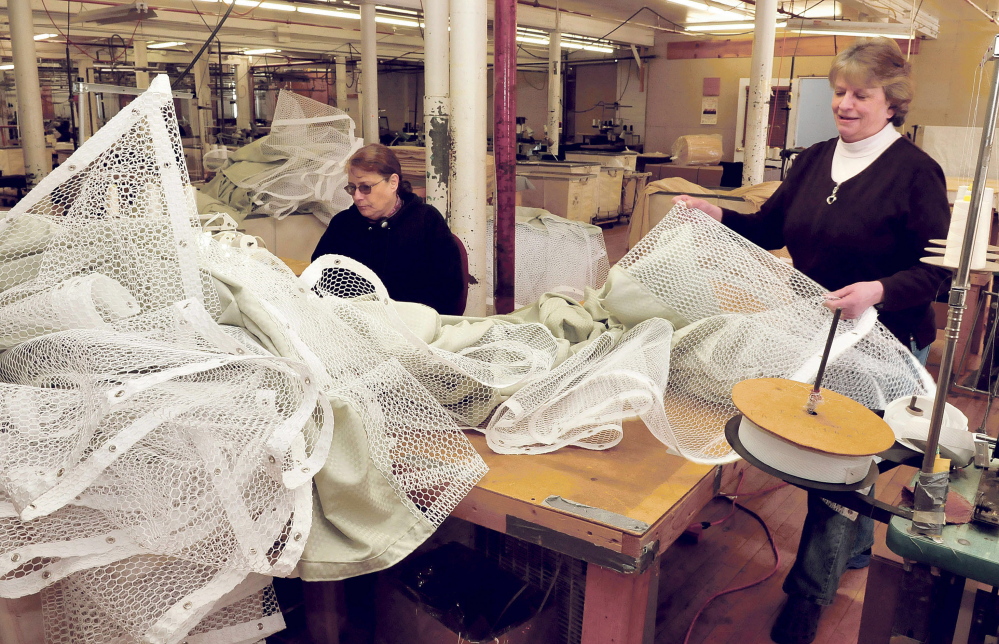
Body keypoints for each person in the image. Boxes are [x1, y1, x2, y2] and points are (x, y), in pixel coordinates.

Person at [674, 38, 950, 644]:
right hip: (821, 337)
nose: (846, 105)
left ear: (892, 102)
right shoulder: (813, 160)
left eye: (861, 95)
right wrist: (719, 216)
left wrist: (875, 289)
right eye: (840, 92)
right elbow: (767, 228)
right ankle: (847, 553)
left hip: (886, 343)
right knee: (844, 463)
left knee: (836, 473)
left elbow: (936, 272)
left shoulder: (916, 174)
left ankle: (807, 599)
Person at [312, 143, 466, 316]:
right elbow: (319, 281)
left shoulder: (427, 222)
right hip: (354, 326)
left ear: (393, 182)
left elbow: (448, 291)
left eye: (365, 187)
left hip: (414, 328)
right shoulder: (342, 226)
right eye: (352, 188)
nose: (357, 196)